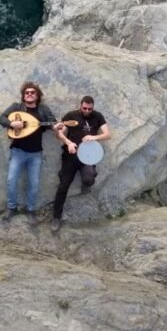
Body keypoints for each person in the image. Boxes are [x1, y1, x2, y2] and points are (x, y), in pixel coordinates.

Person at [0, 82, 61, 224]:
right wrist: (12, 124)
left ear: (37, 95)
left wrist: (56, 126)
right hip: (17, 151)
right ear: (23, 95)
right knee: (11, 181)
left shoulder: (43, 109)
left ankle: (31, 210)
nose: (29, 94)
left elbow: (52, 122)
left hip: (35, 153)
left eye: (33, 92)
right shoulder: (17, 107)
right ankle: (11, 208)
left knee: (34, 183)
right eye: (27, 92)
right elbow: (1, 119)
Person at [52, 95, 111, 232]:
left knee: (89, 178)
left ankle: (86, 183)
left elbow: (108, 135)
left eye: (90, 109)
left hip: (88, 156)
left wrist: (94, 137)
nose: (87, 111)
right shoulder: (71, 116)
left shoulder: (97, 116)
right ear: (80, 105)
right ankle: (56, 217)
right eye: (84, 108)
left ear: (93, 107)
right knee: (63, 186)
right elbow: (59, 134)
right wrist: (68, 143)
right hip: (71, 155)